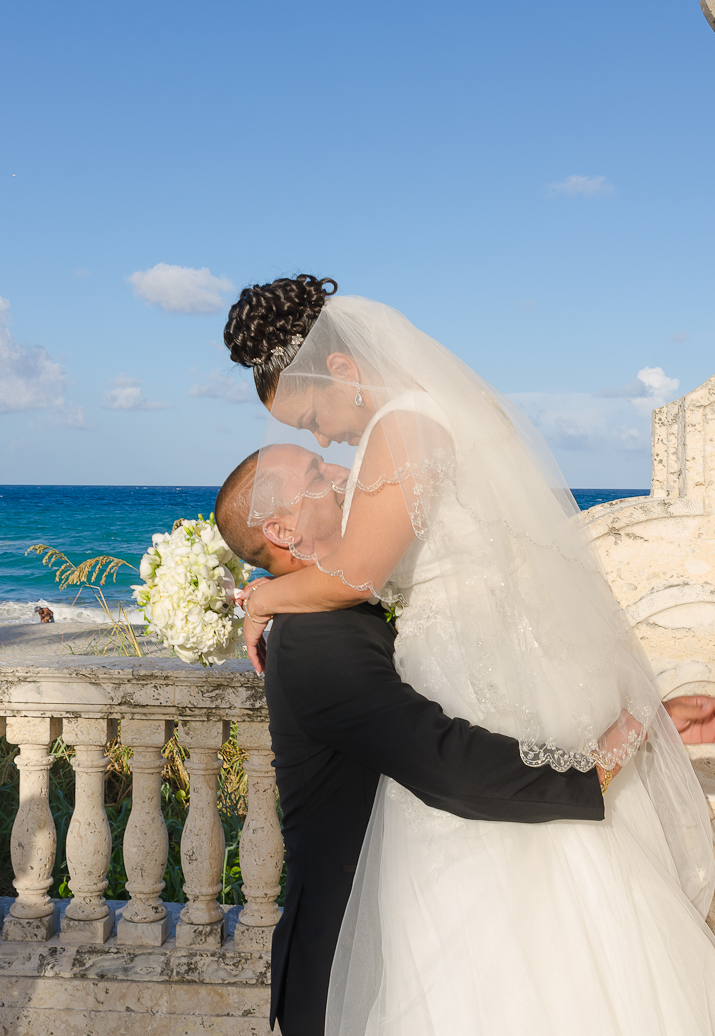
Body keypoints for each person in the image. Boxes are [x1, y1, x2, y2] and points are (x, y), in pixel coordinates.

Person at [224, 275, 715, 1036]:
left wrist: (260, 598)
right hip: (474, 680)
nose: (325, 444)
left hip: (470, 681)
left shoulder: (403, 423)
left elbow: (356, 573)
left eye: (313, 419)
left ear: (342, 370)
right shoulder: (424, 415)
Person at [215, 446, 609, 1036]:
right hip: (352, 973)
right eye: (318, 474)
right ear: (281, 530)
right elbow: (444, 762)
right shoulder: (316, 642)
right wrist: (594, 769)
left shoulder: (330, 606)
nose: (345, 474)